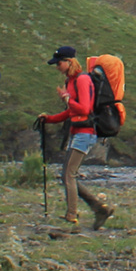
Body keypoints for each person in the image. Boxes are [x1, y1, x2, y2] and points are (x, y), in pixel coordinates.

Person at [38, 46, 115, 230]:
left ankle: (72, 215)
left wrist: (66, 98)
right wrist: (49, 119)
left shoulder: (82, 80)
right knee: (67, 174)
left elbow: (84, 109)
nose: (57, 66)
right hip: (78, 132)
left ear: (69, 62)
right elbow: (71, 112)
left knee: (68, 174)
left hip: (85, 133)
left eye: (59, 63)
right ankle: (98, 208)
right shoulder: (71, 81)